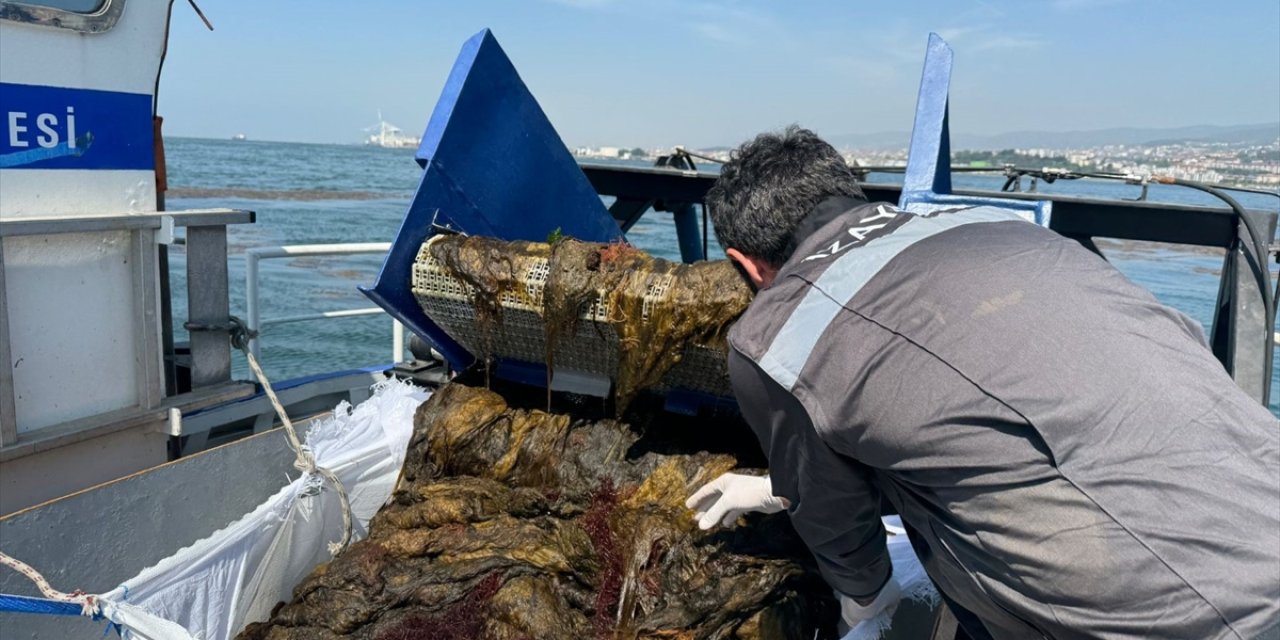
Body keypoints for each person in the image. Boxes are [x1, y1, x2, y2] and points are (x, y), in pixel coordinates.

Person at [684, 126, 1280, 639]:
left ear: (745, 262)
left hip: (1168, 617)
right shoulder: (1001, 228)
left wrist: (863, 606)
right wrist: (773, 489)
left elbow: (838, 526)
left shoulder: (774, 336)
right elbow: (996, 413)